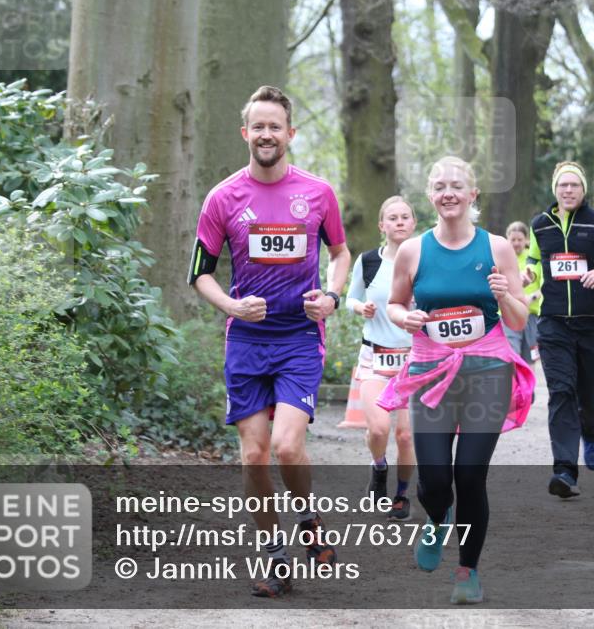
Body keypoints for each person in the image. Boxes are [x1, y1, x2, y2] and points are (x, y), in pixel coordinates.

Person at [188, 85, 351, 598]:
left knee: (285, 446)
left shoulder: (318, 193)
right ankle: (272, 553)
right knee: (254, 455)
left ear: (290, 134)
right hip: (247, 342)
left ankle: (308, 521)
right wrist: (231, 305)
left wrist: (332, 295)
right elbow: (199, 272)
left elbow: (342, 254)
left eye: (274, 126)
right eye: (257, 126)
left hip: (300, 337)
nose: (266, 134)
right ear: (245, 133)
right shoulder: (223, 197)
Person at [378, 156, 535, 605]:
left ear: (472, 195)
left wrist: (506, 297)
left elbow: (520, 321)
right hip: (430, 373)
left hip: (486, 371)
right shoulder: (413, 250)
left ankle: (468, 571)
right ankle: (438, 516)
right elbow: (394, 303)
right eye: (440, 186)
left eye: (457, 186)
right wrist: (404, 317)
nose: (448, 193)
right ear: (430, 196)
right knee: (432, 481)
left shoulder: (498, 247)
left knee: (470, 475)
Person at [528, 161, 594, 498]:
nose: (568, 190)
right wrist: (529, 274)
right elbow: (532, 259)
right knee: (561, 392)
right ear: (554, 189)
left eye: (574, 185)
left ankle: (591, 432)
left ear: (583, 189)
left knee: (587, 395)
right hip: (553, 322)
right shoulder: (540, 226)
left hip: (591, 323)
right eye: (562, 185)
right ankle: (564, 471)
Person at [345, 196, 418, 521]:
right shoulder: (369, 261)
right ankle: (378, 467)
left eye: (405, 217)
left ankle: (402, 495)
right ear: (382, 226)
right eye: (393, 218)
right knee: (378, 430)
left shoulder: (424, 259)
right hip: (375, 357)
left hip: (414, 359)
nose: (399, 222)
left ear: (414, 223)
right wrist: (361, 308)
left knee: (405, 435)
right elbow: (350, 298)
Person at [505, 221, 541, 365]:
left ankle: (528, 388)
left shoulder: (533, 260)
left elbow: (545, 286)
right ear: (507, 239)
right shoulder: (501, 258)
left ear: (526, 240)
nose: (516, 243)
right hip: (508, 315)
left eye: (520, 239)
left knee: (530, 358)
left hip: (531, 315)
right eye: (513, 239)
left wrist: (531, 297)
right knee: (512, 355)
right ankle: (513, 388)